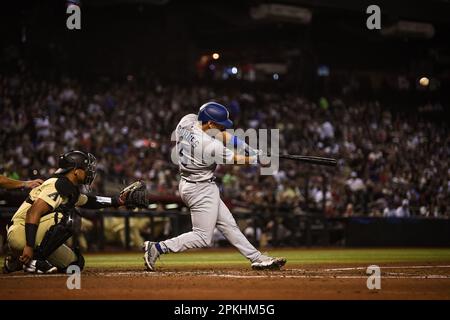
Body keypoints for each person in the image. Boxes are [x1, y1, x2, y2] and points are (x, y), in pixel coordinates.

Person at [143, 102, 286, 271]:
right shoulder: (209, 146)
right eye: (219, 125)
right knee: (203, 236)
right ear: (210, 124)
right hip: (200, 189)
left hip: (191, 183)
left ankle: (256, 257)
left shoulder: (187, 120)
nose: (222, 128)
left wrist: (249, 149)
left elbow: (223, 136)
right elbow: (235, 160)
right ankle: (158, 248)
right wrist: (256, 159)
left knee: (228, 224)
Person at [3, 150, 148, 274]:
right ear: (76, 171)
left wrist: (118, 201)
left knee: (75, 264)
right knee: (71, 218)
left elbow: (90, 201)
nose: (90, 171)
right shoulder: (57, 184)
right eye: (86, 168)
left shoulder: (67, 187)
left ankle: (16, 261)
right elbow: (33, 213)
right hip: (21, 232)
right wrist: (28, 246)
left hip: (31, 235)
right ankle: (34, 261)